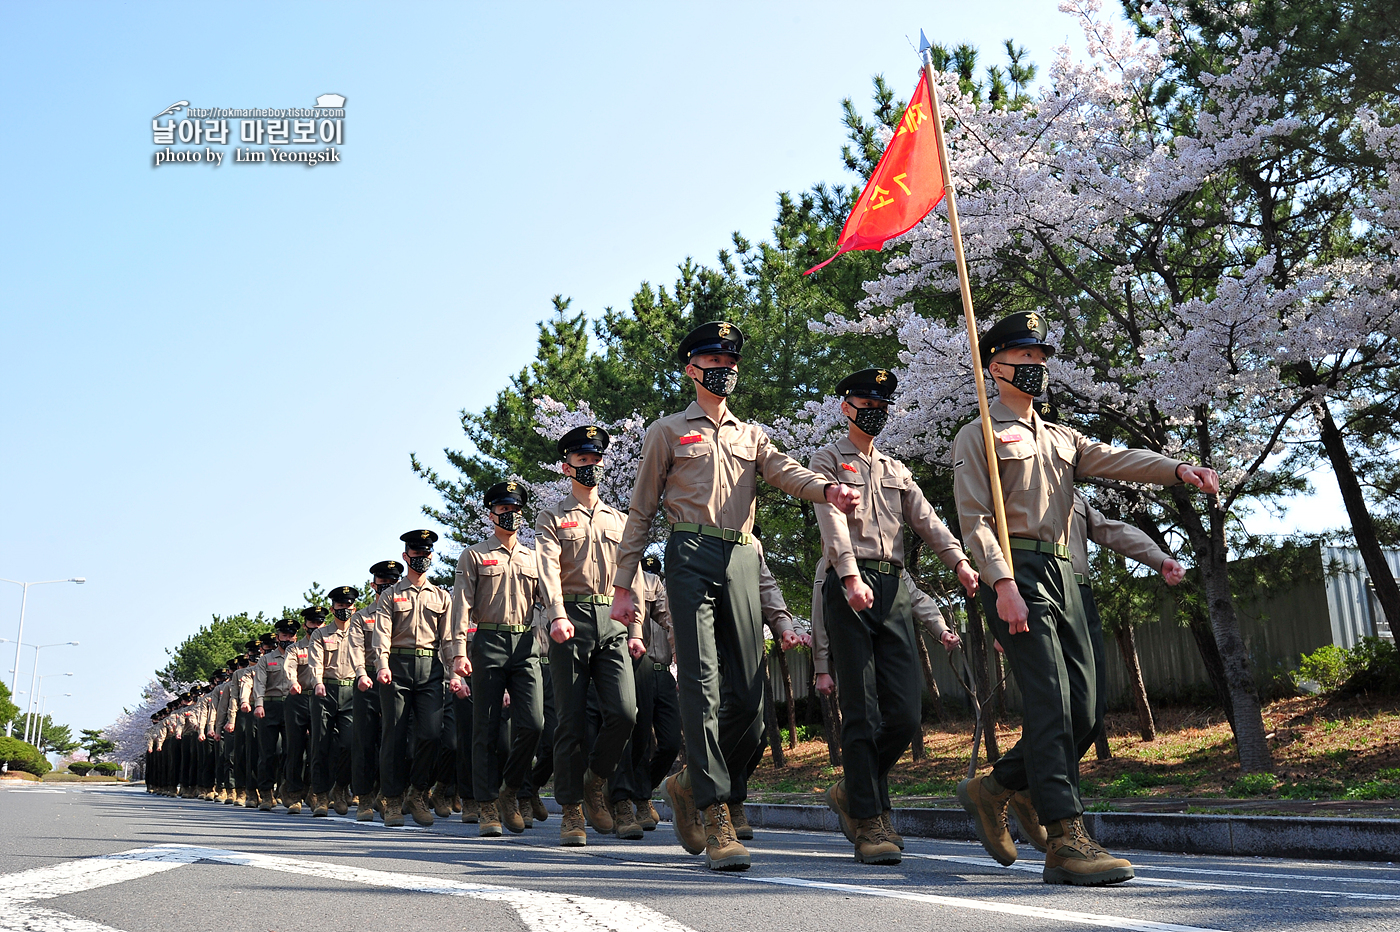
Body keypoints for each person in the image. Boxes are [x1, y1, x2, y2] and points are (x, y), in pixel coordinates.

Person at [952, 310, 1219, 886]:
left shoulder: (1060, 437)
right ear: (994, 366)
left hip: (1068, 571)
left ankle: (997, 786)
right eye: (1025, 358)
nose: (1037, 367)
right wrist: (1002, 584)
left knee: (1086, 709)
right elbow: (974, 521)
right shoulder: (977, 434)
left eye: (1041, 358)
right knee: (1050, 702)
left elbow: (1120, 459)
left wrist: (1177, 468)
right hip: (1018, 570)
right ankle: (1066, 839)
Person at [610, 320, 861, 871]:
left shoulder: (753, 436)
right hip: (689, 554)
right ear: (691, 369)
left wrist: (827, 488)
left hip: (744, 556)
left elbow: (785, 474)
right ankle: (714, 809)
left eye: (731, 364)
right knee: (700, 683)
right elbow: (641, 511)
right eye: (714, 363)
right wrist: (624, 585)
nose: (725, 371)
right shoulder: (668, 431)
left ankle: (688, 782)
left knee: (748, 698)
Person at [809, 368, 977, 864]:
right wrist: (848, 574)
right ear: (846, 407)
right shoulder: (827, 460)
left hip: (894, 585)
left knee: (904, 713)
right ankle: (868, 819)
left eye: (883, 402)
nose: (875, 409)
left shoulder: (896, 468)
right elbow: (831, 521)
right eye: (866, 401)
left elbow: (927, 520)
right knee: (861, 708)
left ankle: (854, 789)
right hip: (851, 583)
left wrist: (960, 563)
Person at [537, 426, 645, 846]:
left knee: (625, 712)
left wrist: (634, 627)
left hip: (613, 619)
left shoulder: (619, 519)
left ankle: (595, 780)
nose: (591, 467)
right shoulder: (552, 517)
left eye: (596, 459)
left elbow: (629, 575)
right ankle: (570, 810)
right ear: (567, 467)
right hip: (571, 620)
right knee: (571, 720)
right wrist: (556, 614)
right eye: (582, 461)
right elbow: (547, 567)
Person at [449, 480, 544, 838]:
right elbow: (462, 606)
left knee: (534, 723)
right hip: (488, 640)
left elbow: (550, 602)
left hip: (525, 642)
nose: (511, 515)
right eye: (504, 509)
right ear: (491, 514)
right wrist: (459, 650)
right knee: (485, 729)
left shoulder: (533, 557)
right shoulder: (473, 555)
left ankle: (510, 789)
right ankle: (487, 803)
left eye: (516, 509)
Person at [370, 530, 459, 828]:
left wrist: (455, 672)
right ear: (406, 556)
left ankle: (418, 792)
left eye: (426, 553)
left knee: (433, 734)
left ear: (431, 556)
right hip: (397, 667)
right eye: (416, 554)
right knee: (394, 736)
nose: (421, 558)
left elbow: (448, 640)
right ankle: (393, 800)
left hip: (431, 669)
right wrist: (382, 664)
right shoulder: (391, 595)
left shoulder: (441, 596)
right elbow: (381, 633)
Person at [615, 553, 678, 833]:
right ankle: (639, 799)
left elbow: (668, 617)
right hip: (635, 665)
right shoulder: (619, 583)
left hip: (663, 671)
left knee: (670, 742)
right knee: (639, 737)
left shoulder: (657, 586)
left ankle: (642, 788)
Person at [349, 560, 400, 821]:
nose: (388, 588)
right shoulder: (362, 616)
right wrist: (360, 673)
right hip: (368, 679)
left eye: (392, 583)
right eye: (383, 584)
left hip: (397, 678)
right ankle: (364, 798)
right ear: (374, 586)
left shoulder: (403, 610)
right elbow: (356, 648)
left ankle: (388, 794)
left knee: (395, 738)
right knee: (365, 741)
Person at [308, 586, 361, 816]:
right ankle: (320, 795)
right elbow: (315, 662)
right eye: (340, 606)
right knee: (321, 744)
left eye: (348, 606)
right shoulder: (321, 634)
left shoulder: (360, 632)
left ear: (354, 607)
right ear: (332, 608)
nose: (344, 610)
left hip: (351, 692)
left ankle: (340, 788)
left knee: (349, 744)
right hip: (325, 691)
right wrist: (317, 681)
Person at [283, 606, 327, 813]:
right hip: (298, 698)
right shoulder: (295, 648)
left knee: (318, 747)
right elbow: (289, 667)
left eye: (319, 622)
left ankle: (316, 792)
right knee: (295, 748)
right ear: (305, 625)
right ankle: (293, 794)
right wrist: (293, 682)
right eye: (312, 623)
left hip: (322, 699)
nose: (316, 626)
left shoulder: (330, 644)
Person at [252, 621, 299, 810]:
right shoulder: (266, 659)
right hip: (270, 707)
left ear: (295, 636)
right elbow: (260, 683)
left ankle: (288, 789)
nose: (287, 639)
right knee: (268, 752)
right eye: (284, 635)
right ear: (277, 636)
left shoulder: (299, 655)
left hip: (291, 705)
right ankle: (265, 793)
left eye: (290, 635)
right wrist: (259, 704)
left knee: (292, 751)